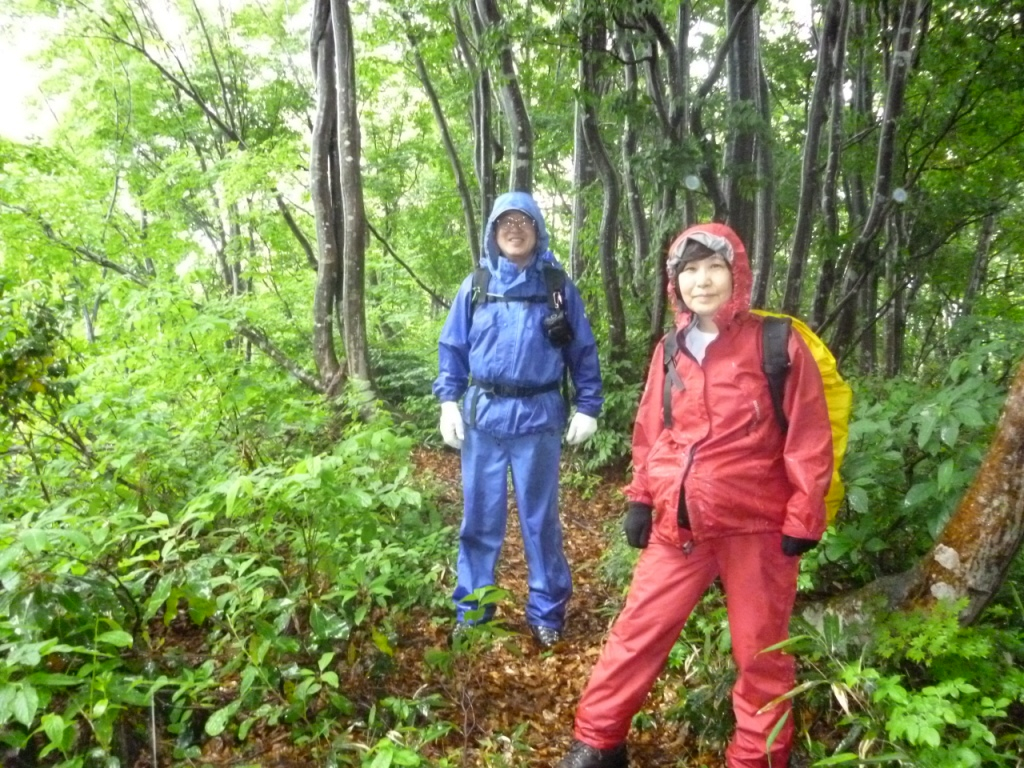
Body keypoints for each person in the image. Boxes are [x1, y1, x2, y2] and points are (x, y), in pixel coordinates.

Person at [556, 222, 833, 767]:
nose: (701, 281)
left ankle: (757, 758)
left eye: (713, 268)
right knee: (639, 631)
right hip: (678, 525)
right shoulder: (669, 349)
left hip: (756, 525)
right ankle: (597, 741)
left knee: (761, 653)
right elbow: (652, 430)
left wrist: (804, 515)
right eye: (689, 270)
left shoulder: (777, 342)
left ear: (738, 275)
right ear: (674, 282)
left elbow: (809, 435)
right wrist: (640, 497)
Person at [434, 190, 603, 648]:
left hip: (539, 420)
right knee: (479, 521)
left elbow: (582, 350)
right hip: (484, 421)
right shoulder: (476, 285)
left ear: (536, 229)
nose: (514, 229)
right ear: (493, 232)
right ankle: (474, 610)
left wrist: (588, 405)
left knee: (540, 520)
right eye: (505, 222)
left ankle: (546, 611)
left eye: (522, 221)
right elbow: (452, 347)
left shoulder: (556, 286)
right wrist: (448, 400)